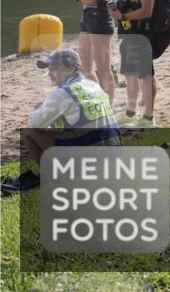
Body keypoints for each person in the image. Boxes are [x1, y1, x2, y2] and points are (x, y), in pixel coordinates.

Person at [2, 49, 121, 195]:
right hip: (113, 159)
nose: (50, 74)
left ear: (72, 69)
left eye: (55, 69)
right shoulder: (93, 85)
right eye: (49, 69)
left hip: (90, 164)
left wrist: (39, 109)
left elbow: (35, 123)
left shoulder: (62, 93)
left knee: (29, 131)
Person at [110, 0, 169, 128]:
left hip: (142, 33)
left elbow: (147, 11)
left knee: (145, 74)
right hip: (129, 32)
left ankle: (149, 118)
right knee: (129, 72)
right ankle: (130, 112)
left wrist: (124, 15)